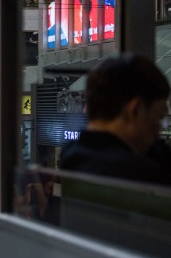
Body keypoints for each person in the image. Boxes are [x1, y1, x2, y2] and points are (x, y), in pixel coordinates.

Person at [60, 53, 171, 185]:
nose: (158, 128)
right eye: (158, 116)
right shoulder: (140, 174)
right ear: (136, 109)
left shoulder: (70, 155)